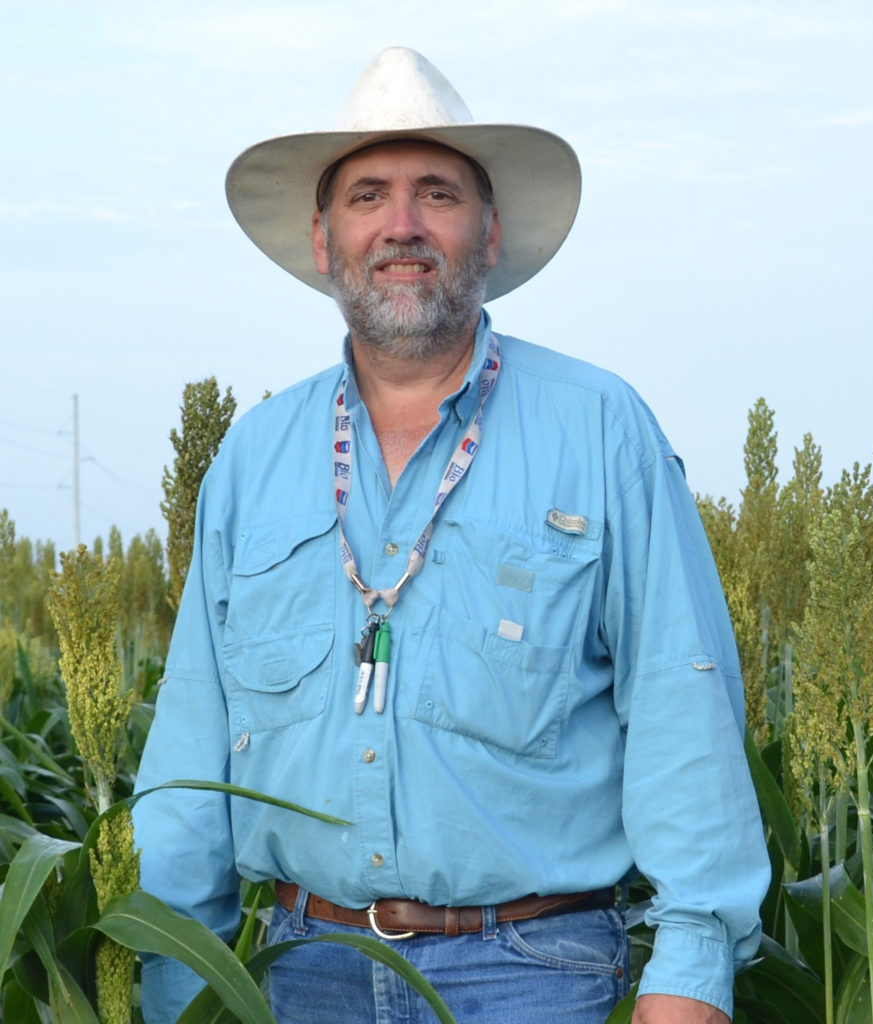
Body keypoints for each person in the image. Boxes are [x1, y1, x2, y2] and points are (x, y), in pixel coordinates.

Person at [134, 47, 769, 1024]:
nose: (400, 225)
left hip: (535, 972)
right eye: (366, 196)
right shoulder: (253, 457)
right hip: (300, 970)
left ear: (488, 232)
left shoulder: (599, 429)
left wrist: (687, 978)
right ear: (321, 239)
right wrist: (181, 980)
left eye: (436, 193)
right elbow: (191, 747)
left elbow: (683, 715)